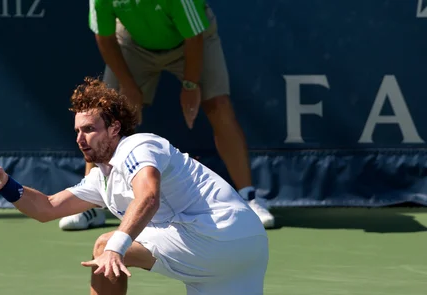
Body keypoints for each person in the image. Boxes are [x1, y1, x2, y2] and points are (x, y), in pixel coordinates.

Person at [0, 78, 411, 295]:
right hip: (242, 248)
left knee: (104, 245)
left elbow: (147, 197)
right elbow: (46, 209)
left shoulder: (138, 146)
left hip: (213, 235)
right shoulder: (102, 179)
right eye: (76, 131)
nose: (81, 138)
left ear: (114, 127)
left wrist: (119, 246)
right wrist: (6, 186)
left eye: (89, 129)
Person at [58, 0, 275, 232]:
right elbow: (105, 37)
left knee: (218, 104)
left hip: (190, 40)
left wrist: (191, 85)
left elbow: (194, 35)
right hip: (133, 43)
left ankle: (249, 197)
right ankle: (91, 206)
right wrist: (129, 85)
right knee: (102, 114)